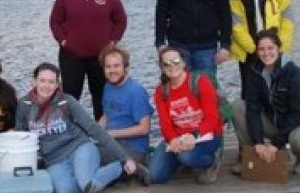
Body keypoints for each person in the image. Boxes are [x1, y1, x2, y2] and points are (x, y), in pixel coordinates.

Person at [15, 62, 145, 193]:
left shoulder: (67, 101)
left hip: (79, 148)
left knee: (87, 185)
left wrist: (124, 157)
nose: (46, 86)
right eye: (42, 80)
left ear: (57, 85)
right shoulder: (24, 105)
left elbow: (94, 129)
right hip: (54, 160)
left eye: (51, 82)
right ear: (34, 82)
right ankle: (94, 175)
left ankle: (119, 167)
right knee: (66, 190)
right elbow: (22, 138)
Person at [50, 0, 127, 120]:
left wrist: (112, 42)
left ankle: (102, 136)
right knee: (70, 98)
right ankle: (69, 135)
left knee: (101, 98)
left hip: (100, 58)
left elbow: (120, 20)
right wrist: (63, 41)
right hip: (71, 56)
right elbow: (55, 21)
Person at [149, 46, 223, 184]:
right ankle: (182, 159)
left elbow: (212, 118)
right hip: (178, 138)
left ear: (183, 62)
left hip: (206, 135)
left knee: (187, 157)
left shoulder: (200, 81)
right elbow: (165, 124)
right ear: (161, 67)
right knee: (155, 176)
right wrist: (172, 140)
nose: (172, 66)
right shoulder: (161, 91)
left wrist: (194, 136)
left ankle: (211, 160)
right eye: (166, 63)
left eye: (176, 61)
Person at [231, 28, 300, 174]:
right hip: (273, 123)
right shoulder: (254, 71)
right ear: (257, 51)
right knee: (237, 106)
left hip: (294, 126)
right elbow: (253, 109)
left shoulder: (293, 73)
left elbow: (297, 114)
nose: (266, 53)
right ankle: (251, 156)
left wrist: (275, 143)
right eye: (261, 49)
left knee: (298, 139)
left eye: (270, 48)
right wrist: (258, 142)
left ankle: (297, 158)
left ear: (279, 48)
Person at [230, 0, 294, 99]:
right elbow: (236, 25)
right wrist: (254, 48)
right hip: (249, 51)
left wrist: (280, 46)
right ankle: (252, 121)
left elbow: (288, 20)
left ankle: (279, 121)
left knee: (279, 92)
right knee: (250, 93)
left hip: (274, 49)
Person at [98, 46, 153, 165]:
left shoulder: (136, 91)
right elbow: (107, 115)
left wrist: (112, 134)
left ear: (126, 67)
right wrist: (95, 131)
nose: (112, 70)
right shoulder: (108, 86)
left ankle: (138, 168)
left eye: (116, 66)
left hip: (133, 147)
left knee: (95, 159)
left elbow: (145, 128)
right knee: (82, 150)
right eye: (108, 66)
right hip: (112, 142)